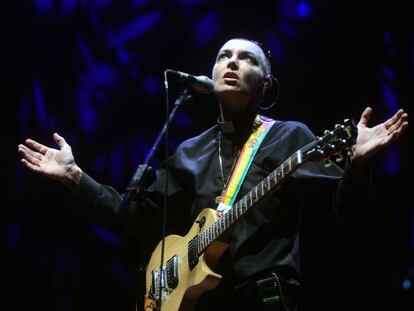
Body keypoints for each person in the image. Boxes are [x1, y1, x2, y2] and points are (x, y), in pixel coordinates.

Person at [18, 38, 408, 311]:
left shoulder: (291, 137)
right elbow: (130, 216)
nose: (233, 63)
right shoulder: (189, 151)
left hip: (263, 298)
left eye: (247, 59)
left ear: (266, 85)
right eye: (224, 56)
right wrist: (75, 177)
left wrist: (357, 164)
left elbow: (349, 216)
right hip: (199, 303)